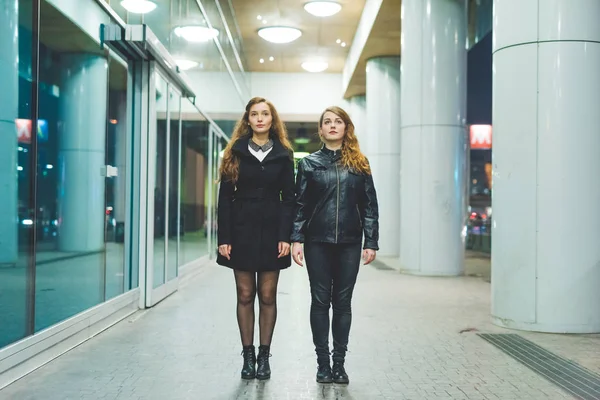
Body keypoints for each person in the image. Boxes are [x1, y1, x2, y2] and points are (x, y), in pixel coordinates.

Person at [291, 106, 379, 384]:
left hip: (350, 243)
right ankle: (323, 364)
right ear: (320, 130)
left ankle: (339, 364)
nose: (332, 125)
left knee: (342, 303)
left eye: (337, 121)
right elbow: (300, 206)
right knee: (319, 301)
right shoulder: (308, 164)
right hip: (317, 242)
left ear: (345, 128)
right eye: (327, 122)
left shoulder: (360, 163)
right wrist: (296, 239)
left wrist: (371, 241)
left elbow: (369, 206)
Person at [217, 97, 295, 380]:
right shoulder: (234, 152)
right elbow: (225, 199)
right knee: (245, 294)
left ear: (272, 120)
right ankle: (247, 356)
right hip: (241, 229)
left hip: (274, 231)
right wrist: (224, 236)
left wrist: (285, 236)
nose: (260, 118)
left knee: (267, 294)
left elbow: (290, 199)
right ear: (247, 120)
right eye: (254, 114)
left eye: (265, 114)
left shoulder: (284, 154)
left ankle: (265, 356)